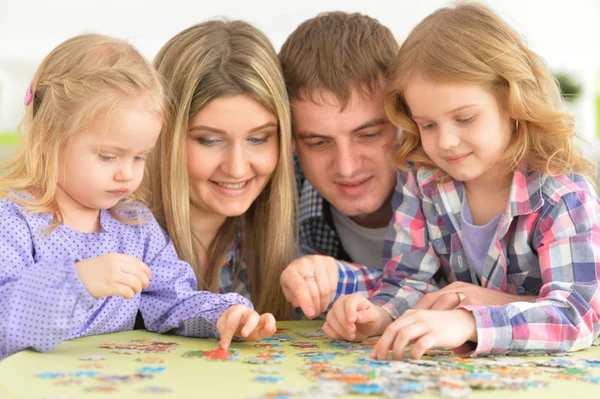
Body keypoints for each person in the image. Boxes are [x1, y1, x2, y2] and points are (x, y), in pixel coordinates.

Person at [323, 3, 600, 359]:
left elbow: (576, 314)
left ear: (513, 100)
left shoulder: (564, 195)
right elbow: (407, 280)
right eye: (428, 125)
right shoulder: (423, 181)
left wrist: (469, 323)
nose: (446, 142)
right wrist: (376, 316)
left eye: (465, 118)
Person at [0, 34, 275, 360]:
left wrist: (222, 315)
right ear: (48, 138)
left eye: (140, 157)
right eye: (108, 156)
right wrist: (78, 282)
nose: (126, 174)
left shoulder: (134, 223)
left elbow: (171, 299)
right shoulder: (14, 220)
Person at [146, 20, 296, 321]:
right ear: (163, 136)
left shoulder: (294, 235)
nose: (237, 168)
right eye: (209, 140)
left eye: (258, 138)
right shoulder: (116, 233)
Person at [278, 12, 400, 319]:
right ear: (292, 142)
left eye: (368, 135)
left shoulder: (451, 184)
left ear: (404, 120)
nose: (346, 167)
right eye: (318, 142)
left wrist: (338, 279)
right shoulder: (273, 194)